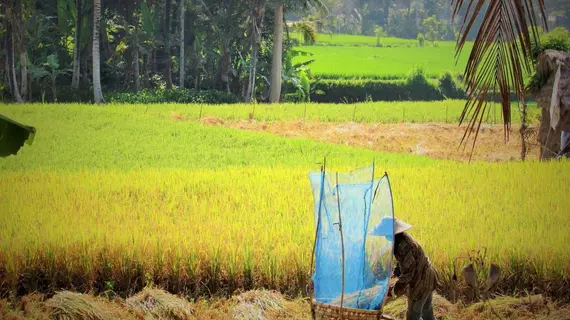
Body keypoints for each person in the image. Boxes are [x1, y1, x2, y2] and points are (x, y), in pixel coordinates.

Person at [369, 217, 439, 320]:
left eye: (386, 234)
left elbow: (408, 273)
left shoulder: (403, 245)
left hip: (422, 281)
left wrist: (394, 289)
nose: (385, 237)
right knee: (427, 310)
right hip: (427, 276)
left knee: (412, 314)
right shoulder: (401, 240)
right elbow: (403, 262)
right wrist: (396, 273)